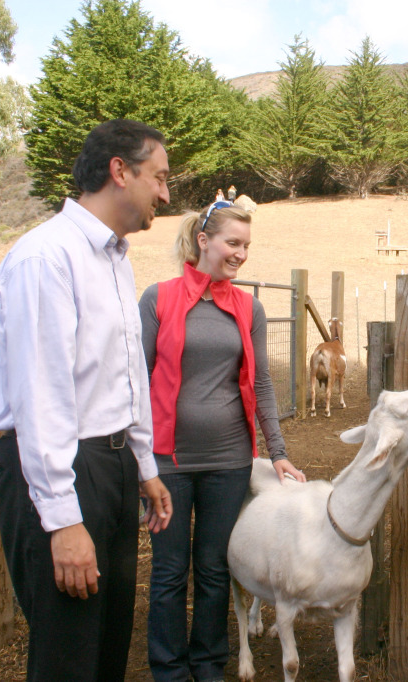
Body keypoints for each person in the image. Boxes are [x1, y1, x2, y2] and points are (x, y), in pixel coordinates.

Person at [0, 119, 175, 681]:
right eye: (158, 177)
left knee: (108, 645)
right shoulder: (45, 258)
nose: (165, 193)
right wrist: (63, 521)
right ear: (121, 171)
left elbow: (126, 373)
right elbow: (43, 398)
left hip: (109, 467)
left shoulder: (115, 258)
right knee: (68, 654)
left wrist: (142, 464)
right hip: (60, 470)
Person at [139, 199, 306, 682]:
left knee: (213, 569)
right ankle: (169, 670)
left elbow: (263, 383)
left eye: (247, 246)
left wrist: (278, 453)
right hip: (167, 461)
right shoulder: (159, 298)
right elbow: (136, 377)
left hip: (230, 460)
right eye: (233, 243)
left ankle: (209, 665)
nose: (241, 254)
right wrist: (140, 458)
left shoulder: (248, 306)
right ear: (203, 241)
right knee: (170, 572)